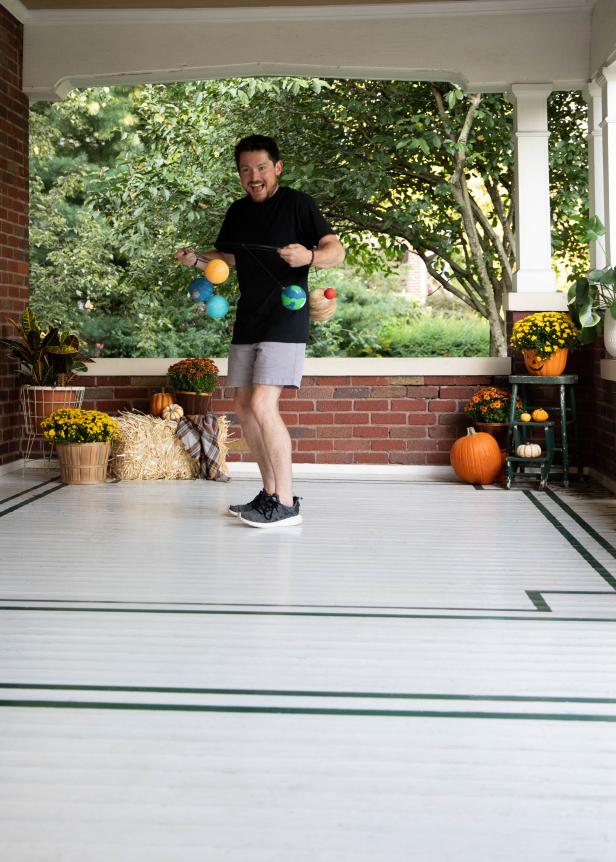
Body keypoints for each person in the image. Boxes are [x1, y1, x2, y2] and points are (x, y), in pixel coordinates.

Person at [175, 134, 345, 528]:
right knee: (243, 406)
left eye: (262, 168)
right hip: (249, 317)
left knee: (264, 405)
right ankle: (269, 493)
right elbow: (227, 259)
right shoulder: (237, 211)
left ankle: (285, 501)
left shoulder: (299, 204)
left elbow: (336, 250)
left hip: (286, 318)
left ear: (277, 168)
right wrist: (195, 259)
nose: (254, 176)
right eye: (246, 169)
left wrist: (310, 256)